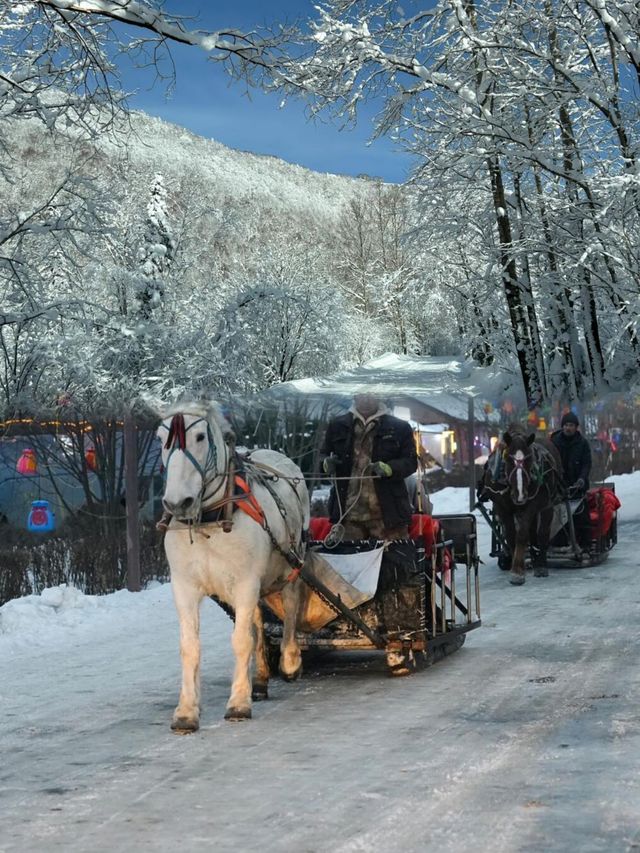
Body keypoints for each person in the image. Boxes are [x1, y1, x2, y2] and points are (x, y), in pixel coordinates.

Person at [320, 392, 417, 540]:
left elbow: (410, 462)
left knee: (392, 561)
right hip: (348, 516)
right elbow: (322, 456)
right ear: (354, 396)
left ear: (380, 396)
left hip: (388, 515)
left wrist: (390, 468)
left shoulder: (399, 427)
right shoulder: (338, 425)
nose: (366, 400)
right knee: (350, 561)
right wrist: (326, 463)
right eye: (361, 395)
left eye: (371, 395)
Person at [551, 411, 593, 553]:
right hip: (558, 488)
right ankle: (559, 545)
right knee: (558, 519)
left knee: (581, 517)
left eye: (571, 425)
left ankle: (585, 545)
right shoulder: (554, 442)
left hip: (577, 487)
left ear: (576, 427)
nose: (568, 428)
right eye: (566, 425)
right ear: (562, 426)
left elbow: (586, 464)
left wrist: (581, 479)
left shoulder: (582, 444)